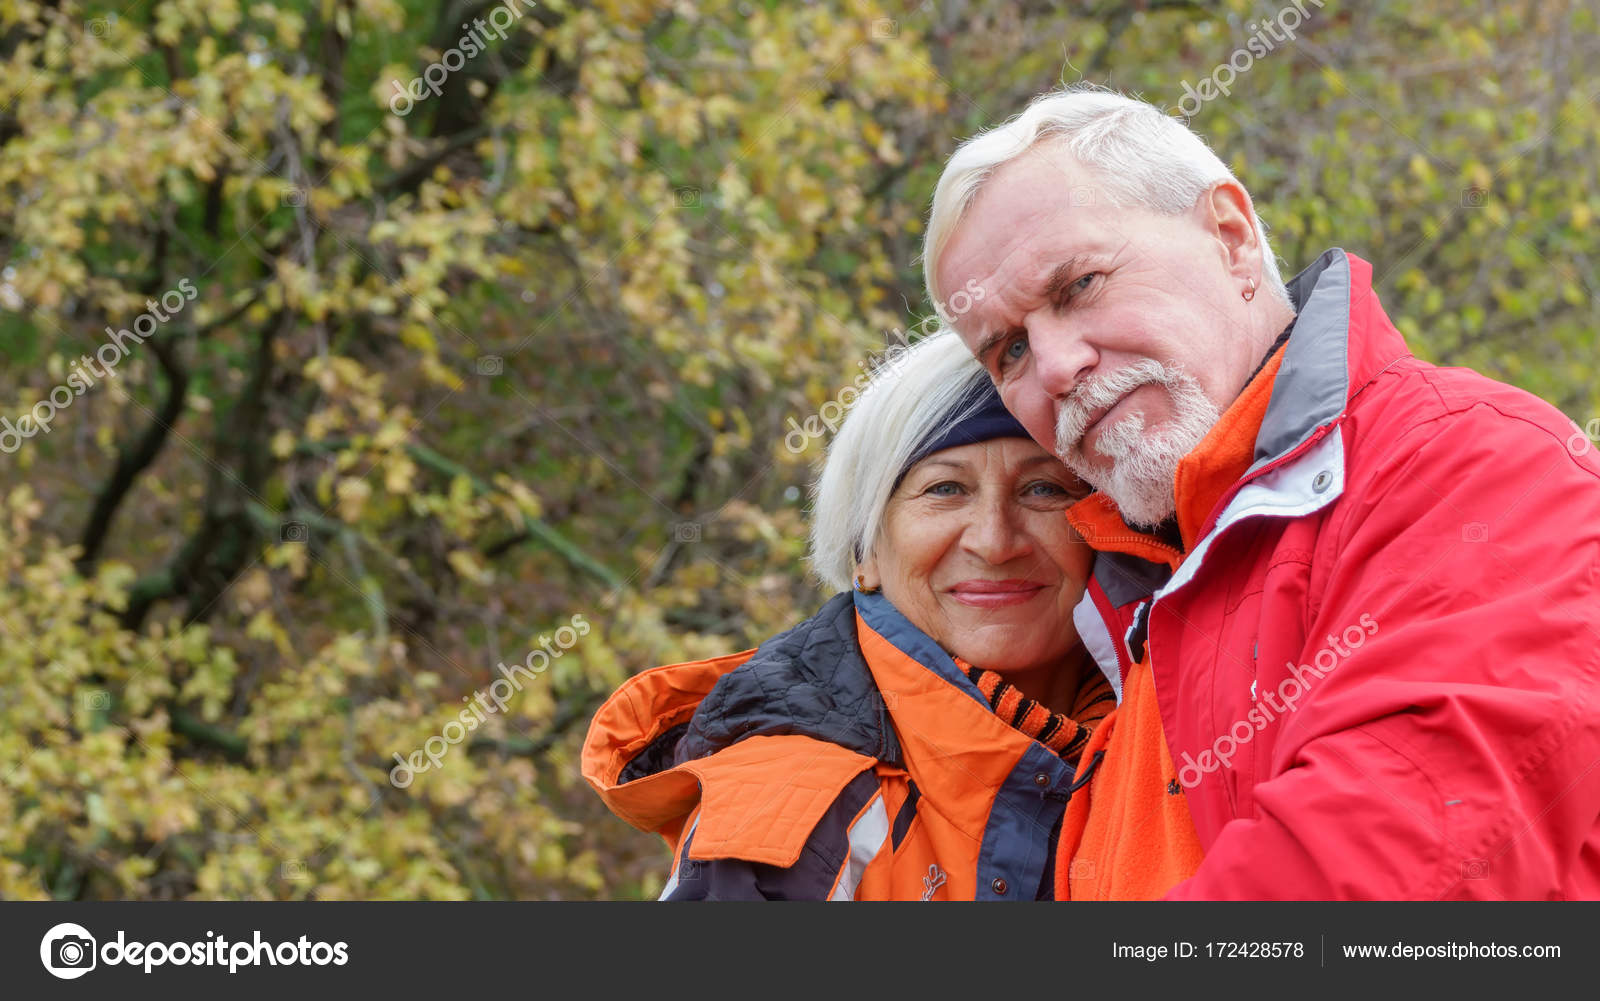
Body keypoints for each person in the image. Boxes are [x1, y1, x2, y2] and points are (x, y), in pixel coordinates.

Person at [922, 84, 1600, 899]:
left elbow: (1386, 878)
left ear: (1231, 237)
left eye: (1079, 286)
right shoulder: (1120, 601)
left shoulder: (1472, 464)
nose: (1057, 367)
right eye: (1009, 352)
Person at [582, 331, 1125, 899]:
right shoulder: (786, 806)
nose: (994, 542)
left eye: (1043, 489)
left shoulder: (1174, 735)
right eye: (945, 489)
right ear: (865, 551)